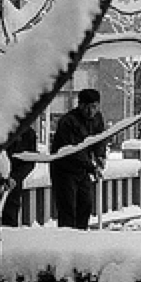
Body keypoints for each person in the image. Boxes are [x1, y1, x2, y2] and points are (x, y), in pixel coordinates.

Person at [50, 88, 106, 229]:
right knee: (68, 208)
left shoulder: (97, 118)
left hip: (83, 170)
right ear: (80, 105)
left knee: (85, 205)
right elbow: (74, 150)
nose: (90, 111)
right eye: (87, 107)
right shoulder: (68, 122)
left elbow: (100, 139)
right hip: (65, 169)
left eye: (94, 106)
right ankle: (68, 241)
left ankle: (81, 237)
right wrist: (92, 167)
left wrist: (100, 156)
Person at [0, 123, 39, 226]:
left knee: (10, 210)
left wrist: (15, 177)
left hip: (14, 180)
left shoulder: (29, 134)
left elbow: (30, 161)